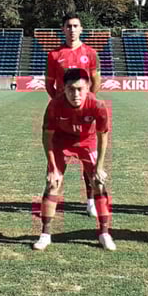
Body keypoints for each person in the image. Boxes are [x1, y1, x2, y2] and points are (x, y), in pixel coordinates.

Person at [33, 68, 115, 251]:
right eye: (71, 89)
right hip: (61, 142)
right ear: (63, 88)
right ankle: (45, 235)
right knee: (53, 183)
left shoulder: (98, 106)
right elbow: (47, 137)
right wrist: (53, 167)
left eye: (80, 89)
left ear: (88, 88)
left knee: (99, 183)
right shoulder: (55, 105)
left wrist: (99, 167)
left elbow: (103, 136)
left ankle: (104, 233)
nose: (75, 94)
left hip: (88, 142)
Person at [45, 13, 102, 218]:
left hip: (84, 115)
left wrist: (88, 103)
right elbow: (49, 84)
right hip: (63, 118)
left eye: (75, 26)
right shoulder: (54, 55)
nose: (72, 29)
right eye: (68, 26)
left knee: (88, 159)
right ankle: (53, 198)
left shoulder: (90, 52)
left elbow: (96, 80)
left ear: (81, 29)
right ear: (63, 29)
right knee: (59, 156)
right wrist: (59, 105)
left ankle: (90, 202)